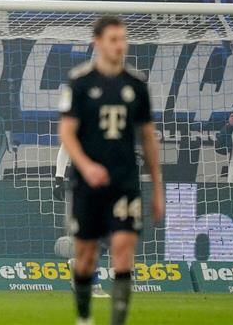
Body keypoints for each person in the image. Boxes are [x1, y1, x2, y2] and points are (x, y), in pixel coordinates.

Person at [58, 16, 164, 325]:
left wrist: (157, 186)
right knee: (86, 255)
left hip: (125, 181)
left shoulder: (137, 84)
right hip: (87, 184)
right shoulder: (79, 82)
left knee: (123, 249)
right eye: (114, 39)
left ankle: (117, 322)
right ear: (98, 43)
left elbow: (147, 137)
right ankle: (84, 317)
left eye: (123, 39)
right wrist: (87, 166)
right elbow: (66, 132)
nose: (120, 46)